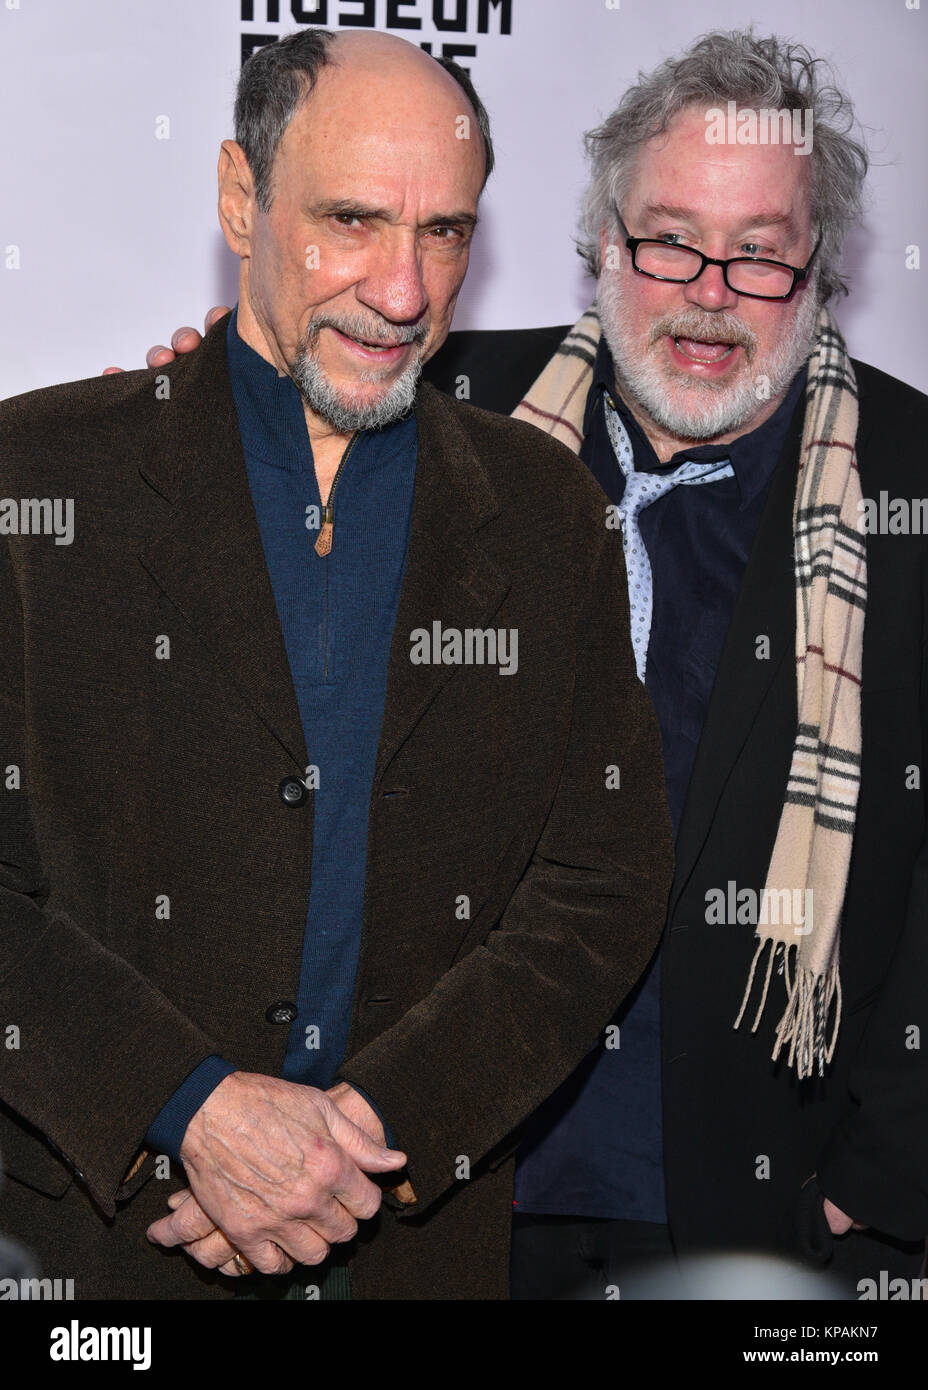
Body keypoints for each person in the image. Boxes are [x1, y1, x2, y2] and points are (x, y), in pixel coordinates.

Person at [151, 27, 928, 1300]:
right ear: (602, 238)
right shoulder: (433, 398)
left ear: (822, 266)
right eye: (667, 237)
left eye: (761, 254)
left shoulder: (903, 485)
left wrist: (870, 1177)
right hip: (440, 1191)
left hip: (757, 1208)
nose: (706, 290)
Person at [0, 29, 673, 1301]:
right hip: (100, 1265)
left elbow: (601, 881)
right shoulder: (36, 484)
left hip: (415, 1253)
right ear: (239, 199)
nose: (406, 289)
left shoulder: (540, 510)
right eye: (354, 221)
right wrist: (187, 1108)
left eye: (446, 232)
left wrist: (361, 1139)